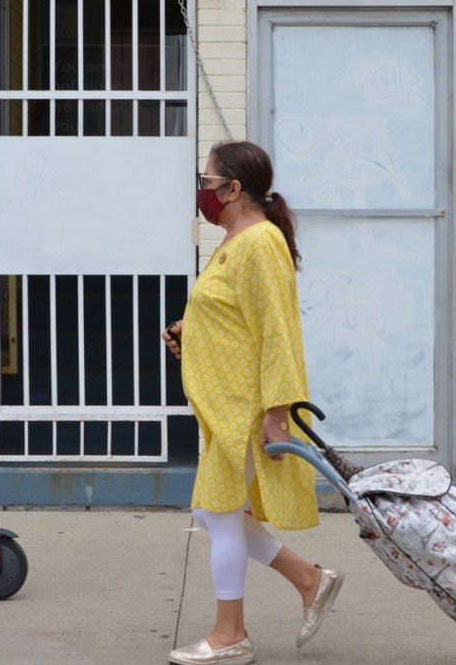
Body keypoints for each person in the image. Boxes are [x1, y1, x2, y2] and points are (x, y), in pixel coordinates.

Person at [162, 141, 343, 664]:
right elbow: (233, 314)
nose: (204, 189)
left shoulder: (261, 243)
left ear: (233, 189)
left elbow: (279, 332)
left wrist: (276, 414)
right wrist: (186, 330)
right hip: (225, 409)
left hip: (244, 409)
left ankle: (230, 635)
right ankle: (309, 580)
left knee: (217, 515)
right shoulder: (236, 241)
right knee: (210, 510)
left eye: (209, 178)